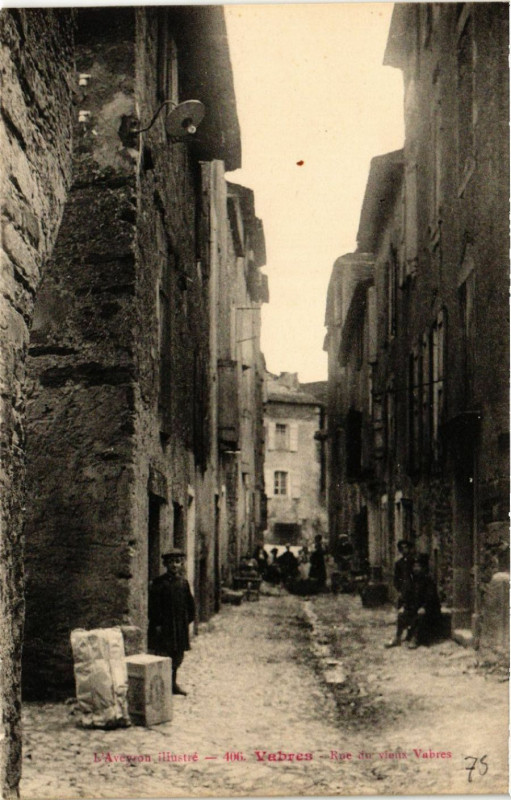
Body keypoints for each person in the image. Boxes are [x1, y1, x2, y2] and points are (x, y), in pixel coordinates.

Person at [148, 548, 195, 695]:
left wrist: (185, 621)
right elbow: (153, 608)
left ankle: (173, 684)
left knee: (177, 657)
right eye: (171, 562)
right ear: (165, 564)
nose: (174, 565)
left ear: (182, 564)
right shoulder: (158, 583)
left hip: (179, 627)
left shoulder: (183, 583)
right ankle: (163, 686)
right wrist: (157, 625)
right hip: (164, 628)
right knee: (164, 656)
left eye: (178, 562)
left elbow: (190, 605)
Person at [385, 554, 442, 649]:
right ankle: (397, 637)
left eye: (418, 566)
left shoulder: (428, 581)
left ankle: (415, 638)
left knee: (420, 615)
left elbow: (430, 598)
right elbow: (406, 595)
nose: (416, 569)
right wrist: (403, 606)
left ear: (423, 568)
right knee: (402, 615)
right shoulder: (411, 580)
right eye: (414, 566)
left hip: (429, 610)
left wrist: (424, 607)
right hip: (414, 607)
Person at [393, 539, 414, 606]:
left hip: (413, 587)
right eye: (402, 548)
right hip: (404, 588)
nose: (404, 550)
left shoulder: (413, 561)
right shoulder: (399, 563)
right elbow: (396, 577)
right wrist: (399, 590)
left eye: (406, 547)